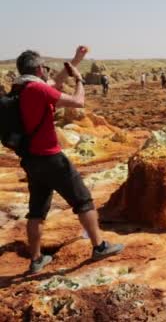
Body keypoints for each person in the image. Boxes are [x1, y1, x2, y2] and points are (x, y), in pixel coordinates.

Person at [15, 46, 124, 274]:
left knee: (36, 211)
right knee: (83, 200)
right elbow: (78, 102)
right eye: (44, 68)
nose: (47, 71)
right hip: (51, 158)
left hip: (31, 160)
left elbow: (54, 84)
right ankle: (99, 246)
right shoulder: (38, 89)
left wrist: (75, 60)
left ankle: (36, 260)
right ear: (38, 69)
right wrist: (80, 80)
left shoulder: (20, 89)